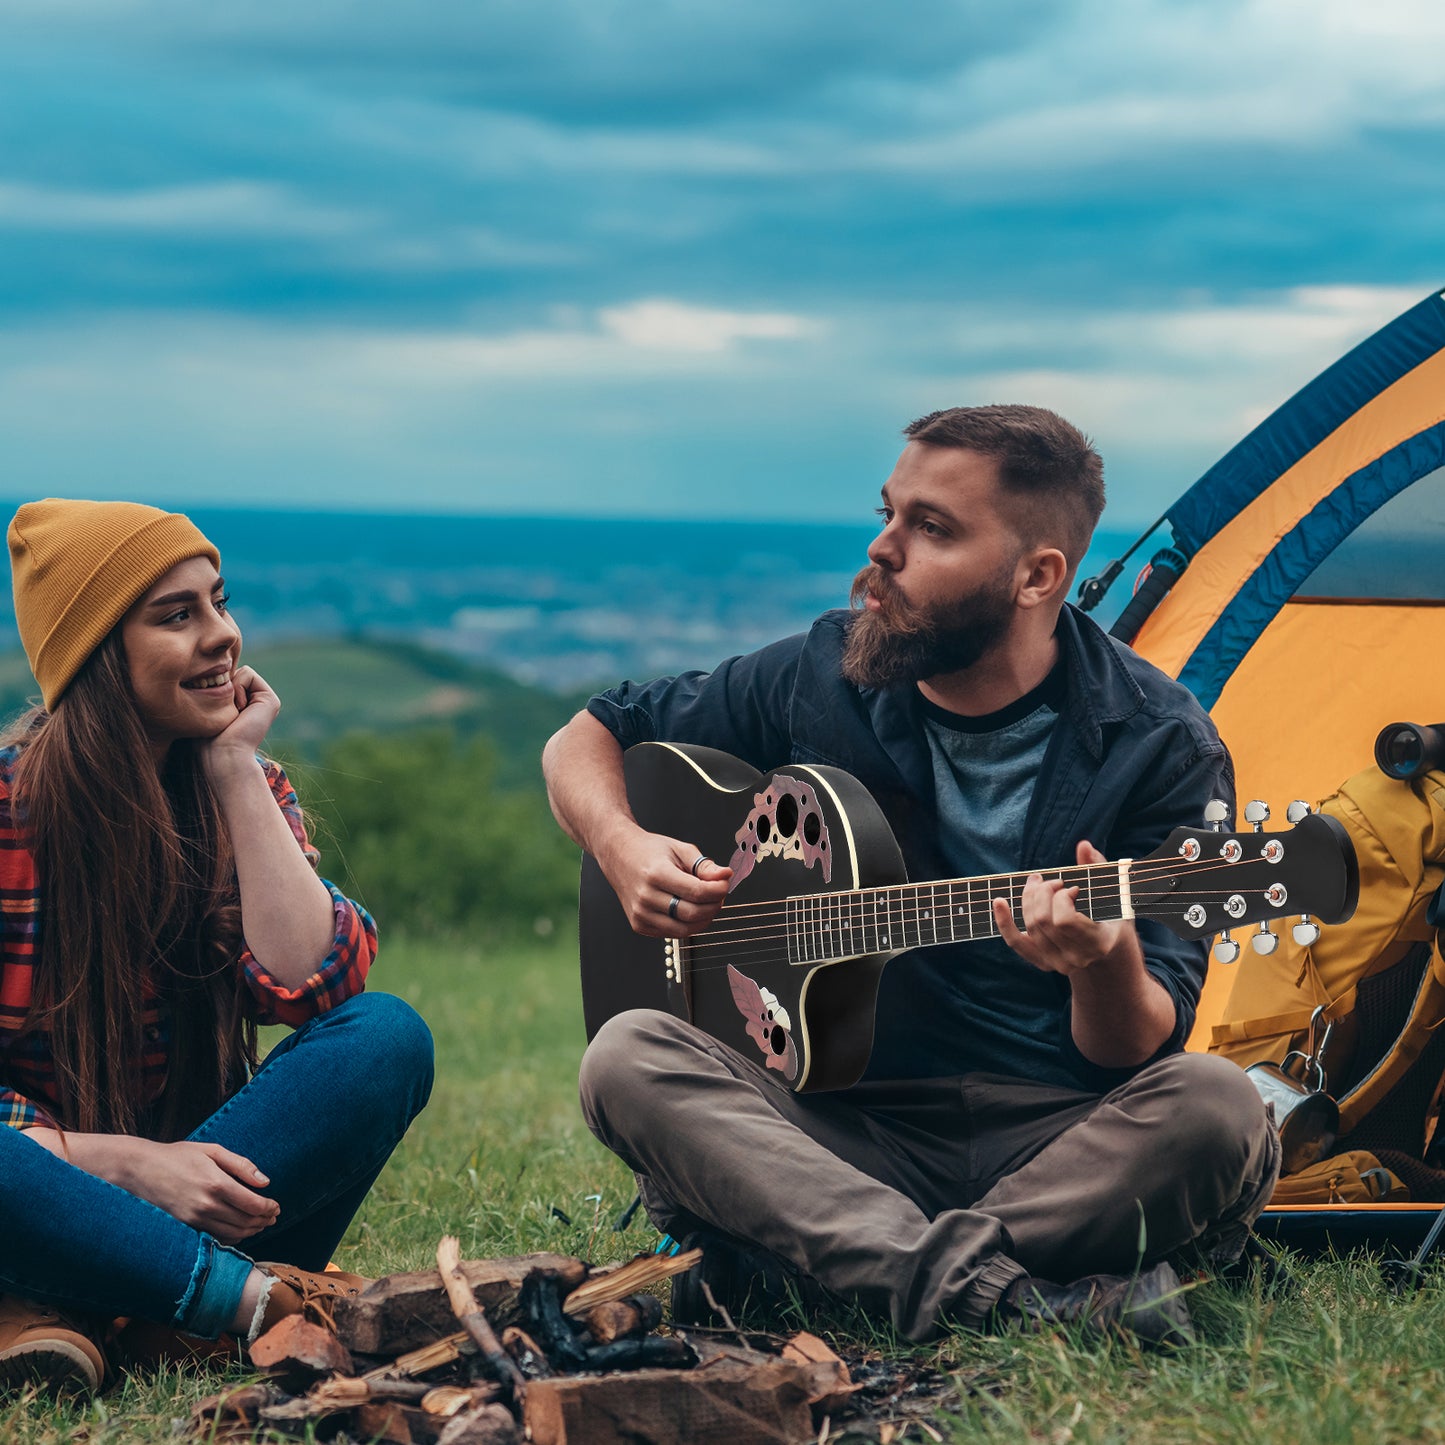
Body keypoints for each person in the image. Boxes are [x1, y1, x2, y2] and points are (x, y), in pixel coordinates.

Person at [543, 405, 1280, 1347]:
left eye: (930, 528)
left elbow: (1130, 1049)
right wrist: (621, 843)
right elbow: (589, 734)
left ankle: (830, 1265)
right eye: (890, 513)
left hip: (1053, 1136)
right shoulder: (822, 672)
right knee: (627, 1055)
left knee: (1216, 1106)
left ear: (1036, 575)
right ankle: (1014, 1299)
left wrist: (1101, 962)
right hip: (834, 1130)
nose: (880, 549)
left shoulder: (1159, 745)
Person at [0, 500, 435, 1393]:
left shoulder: (240, 787)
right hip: (37, 1193)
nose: (222, 636)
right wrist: (124, 1165)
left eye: (219, 603)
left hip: (216, 1186)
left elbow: (313, 985)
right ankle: (234, 1308)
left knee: (384, 1037)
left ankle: (68, 1312)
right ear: (92, 654)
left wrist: (237, 770)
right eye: (176, 615)